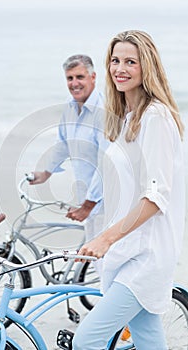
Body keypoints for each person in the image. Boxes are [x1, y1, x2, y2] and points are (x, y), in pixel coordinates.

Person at [72, 30, 185, 350]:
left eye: (130, 62)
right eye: (115, 60)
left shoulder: (157, 117)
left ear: (146, 67)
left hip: (147, 255)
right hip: (126, 251)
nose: (120, 68)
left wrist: (106, 238)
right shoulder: (124, 119)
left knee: (87, 340)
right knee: (149, 339)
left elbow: (156, 195)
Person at [29, 54, 109, 245]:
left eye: (80, 77)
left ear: (93, 77)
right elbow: (64, 144)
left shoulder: (104, 113)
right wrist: (46, 173)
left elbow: (107, 164)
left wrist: (89, 205)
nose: (74, 83)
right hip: (86, 195)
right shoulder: (70, 106)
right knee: (94, 256)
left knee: (103, 258)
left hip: (106, 200)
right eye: (69, 78)